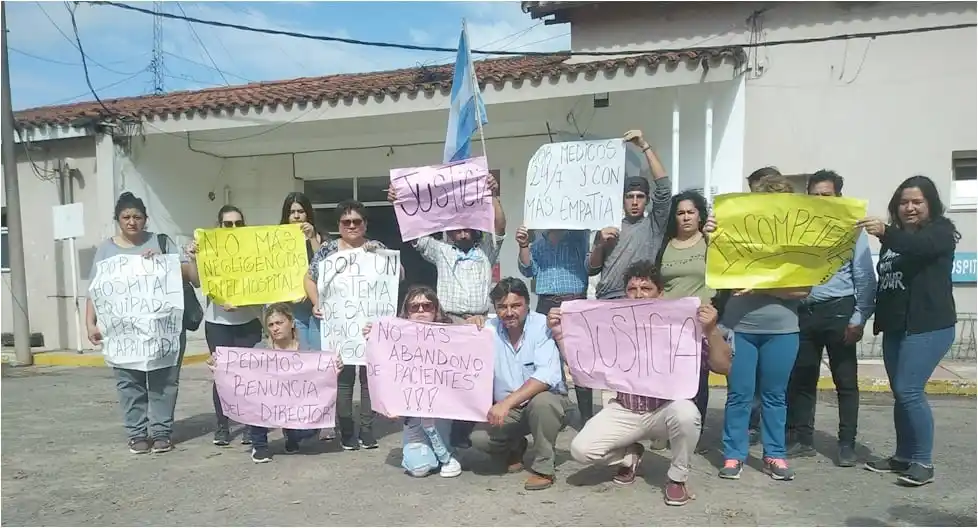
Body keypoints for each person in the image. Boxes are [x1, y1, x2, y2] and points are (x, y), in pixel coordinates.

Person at [548, 260, 732, 506]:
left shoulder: (682, 325)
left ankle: (677, 479)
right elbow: (582, 364)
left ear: (661, 293)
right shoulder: (613, 325)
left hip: (665, 409)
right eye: (632, 289)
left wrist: (711, 330)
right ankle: (629, 456)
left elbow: (724, 366)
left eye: (646, 289)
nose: (638, 295)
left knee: (687, 413)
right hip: (625, 408)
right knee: (581, 449)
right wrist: (561, 333)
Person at [387, 173, 507, 448]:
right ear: (448, 231)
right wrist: (400, 203)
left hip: (480, 323)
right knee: (449, 383)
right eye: (456, 229)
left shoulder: (487, 249)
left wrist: (493, 195)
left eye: (467, 228)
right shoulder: (441, 250)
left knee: (479, 381)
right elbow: (415, 233)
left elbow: (500, 226)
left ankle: (467, 434)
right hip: (448, 324)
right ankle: (439, 434)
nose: (462, 232)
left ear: (476, 229)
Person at [858, 175, 960, 487]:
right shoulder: (897, 238)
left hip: (928, 326)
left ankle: (923, 462)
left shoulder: (940, 232)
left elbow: (920, 247)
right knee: (901, 394)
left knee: (910, 390)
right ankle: (902, 456)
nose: (910, 208)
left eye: (917, 202)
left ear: (931, 204)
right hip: (897, 328)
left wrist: (886, 233)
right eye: (904, 202)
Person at [709, 174, 812, 482]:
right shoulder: (737, 231)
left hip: (782, 330)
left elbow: (803, 289)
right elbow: (717, 269)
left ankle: (774, 455)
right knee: (739, 395)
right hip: (741, 327)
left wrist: (760, 287)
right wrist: (710, 236)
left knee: (775, 396)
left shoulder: (797, 239)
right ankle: (733, 454)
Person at [86, 192, 199, 454]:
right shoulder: (106, 249)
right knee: (128, 381)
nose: (132, 221)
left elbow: (193, 277)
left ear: (145, 219)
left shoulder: (161, 242)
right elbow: (95, 290)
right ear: (118, 220)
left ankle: (161, 432)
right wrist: (90, 323)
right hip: (123, 333)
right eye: (126, 217)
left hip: (163, 331)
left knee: (164, 380)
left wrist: (164, 262)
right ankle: (137, 433)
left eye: (137, 217)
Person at [786, 170, 877, 467]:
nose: (821, 200)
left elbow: (865, 276)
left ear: (838, 197)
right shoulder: (798, 230)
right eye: (815, 195)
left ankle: (846, 444)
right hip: (804, 312)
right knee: (802, 379)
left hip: (839, 311)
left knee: (845, 381)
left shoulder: (852, 231)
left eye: (827, 194)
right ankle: (802, 440)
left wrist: (859, 316)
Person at [586, 129, 673, 424]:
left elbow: (664, 188)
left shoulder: (654, 226)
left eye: (640, 197)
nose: (635, 201)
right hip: (609, 302)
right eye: (629, 197)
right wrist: (599, 243)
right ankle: (616, 424)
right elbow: (591, 269)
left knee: (646, 366)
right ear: (622, 200)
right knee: (613, 370)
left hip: (642, 302)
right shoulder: (607, 225)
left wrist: (644, 146)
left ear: (646, 201)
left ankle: (652, 422)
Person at [305, 199, 403, 451]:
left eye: (356, 221)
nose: (351, 225)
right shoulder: (327, 250)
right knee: (343, 379)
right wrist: (317, 303)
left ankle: (367, 430)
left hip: (369, 328)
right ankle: (347, 430)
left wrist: (379, 254)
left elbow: (398, 274)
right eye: (346, 221)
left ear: (365, 224)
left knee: (369, 380)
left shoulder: (376, 247)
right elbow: (309, 278)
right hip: (340, 328)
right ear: (339, 225)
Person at [467, 277, 571, 491]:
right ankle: (515, 445)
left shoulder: (543, 325)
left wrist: (505, 404)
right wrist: (468, 326)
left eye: (516, 305)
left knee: (543, 403)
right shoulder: (487, 329)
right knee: (479, 438)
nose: (509, 312)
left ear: (527, 304)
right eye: (502, 307)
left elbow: (545, 377)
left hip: (545, 401)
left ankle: (544, 467)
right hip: (510, 408)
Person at [362, 285, 463, 478]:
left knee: (441, 448)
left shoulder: (452, 331)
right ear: (407, 312)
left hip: (441, 411)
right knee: (419, 469)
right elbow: (384, 371)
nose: (421, 311)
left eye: (427, 306)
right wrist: (373, 336)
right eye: (414, 307)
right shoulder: (395, 336)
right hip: (413, 415)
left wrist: (479, 323)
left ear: (436, 309)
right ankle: (430, 454)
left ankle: (446, 454)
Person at [188, 205, 264, 447]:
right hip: (217, 323)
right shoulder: (208, 249)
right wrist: (193, 257)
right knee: (221, 375)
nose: (233, 228)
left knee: (251, 377)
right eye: (227, 223)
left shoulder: (254, 249)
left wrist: (244, 302)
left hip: (248, 322)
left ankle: (253, 426)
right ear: (219, 226)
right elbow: (197, 281)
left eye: (238, 223)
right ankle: (223, 425)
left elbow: (264, 285)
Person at [654, 190, 716, 432]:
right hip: (668, 323)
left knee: (698, 379)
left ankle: (695, 429)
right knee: (668, 377)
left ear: (700, 216)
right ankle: (666, 427)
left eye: (691, 212)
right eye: (681, 213)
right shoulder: (664, 245)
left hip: (700, 322)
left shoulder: (710, 241)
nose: (686, 217)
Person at [516, 226, 590, 424]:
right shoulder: (538, 243)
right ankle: (558, 411)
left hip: (574, 301)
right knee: (548, 359)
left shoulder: (579, 236)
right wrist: (523, 245)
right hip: (546, 301)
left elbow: (590, 265)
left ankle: (586, 416)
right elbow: (528, 269)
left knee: (577, 361)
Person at [245, 303, 322, 463]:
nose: (275, 328)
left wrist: (336, 368)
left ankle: (292, 435)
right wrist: (219, 366)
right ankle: (260, 446)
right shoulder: (259, 350)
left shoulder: (307, 350)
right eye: (271, 325)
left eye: (280, 323)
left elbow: (322, 377)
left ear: (292, 323)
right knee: (254, 397)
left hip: (296, 404)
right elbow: (240, 372)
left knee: (311, 432)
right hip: (268, 402)